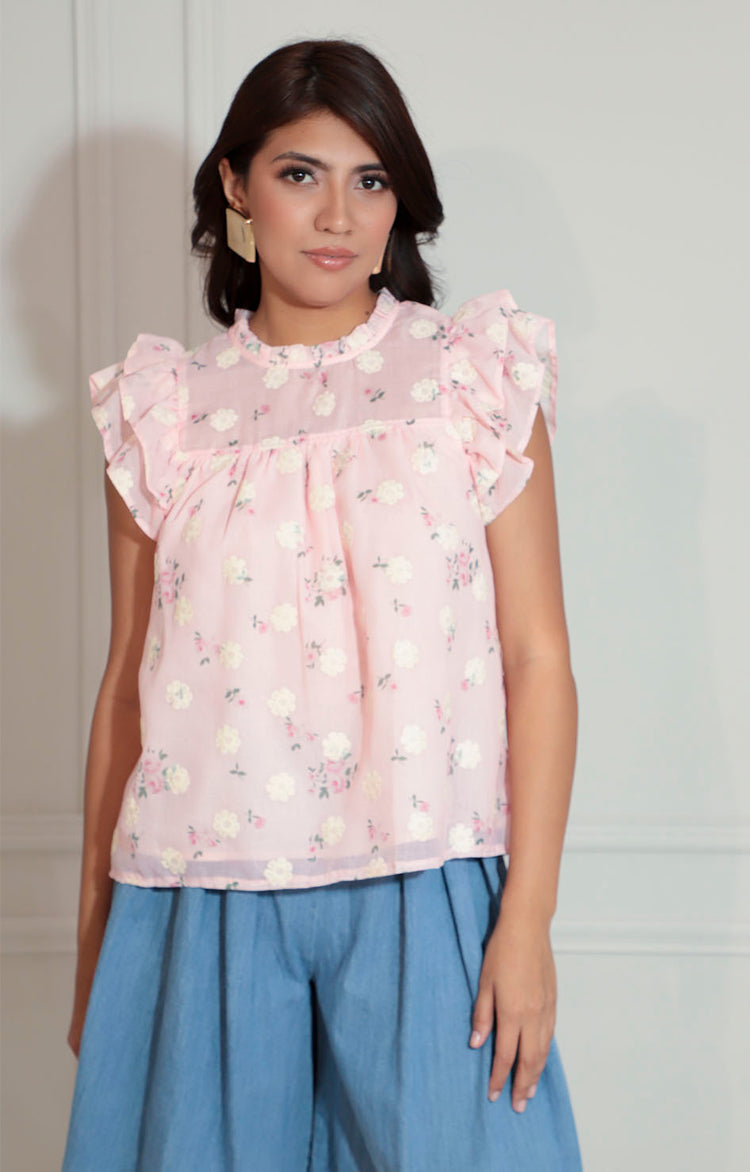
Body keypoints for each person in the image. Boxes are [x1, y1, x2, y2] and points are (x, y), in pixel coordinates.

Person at [62, 37, 583, 1172]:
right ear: (237, 186)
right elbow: (127, 687)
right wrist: (95, 929)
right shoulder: (165, 411)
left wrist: (529, 917)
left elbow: (537, 657)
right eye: (300, 173)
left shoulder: (470, 382)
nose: (338, 215)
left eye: (371, 178)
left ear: (401, 201)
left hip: (426, 876)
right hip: (200, 891)